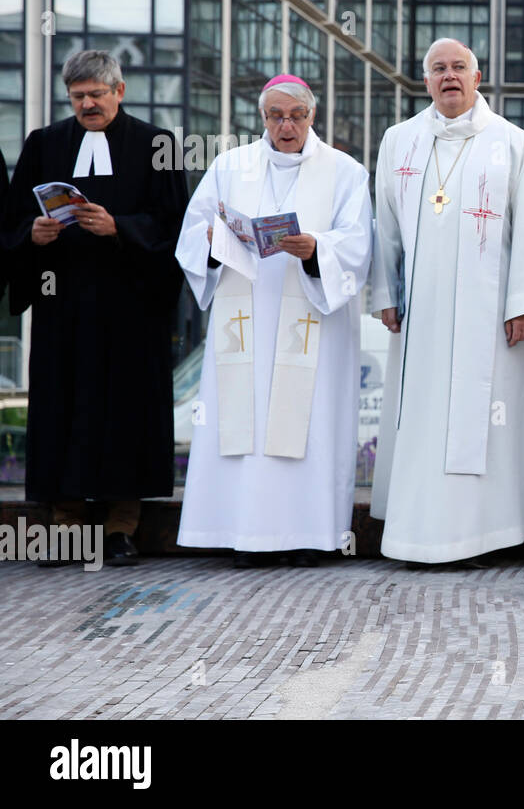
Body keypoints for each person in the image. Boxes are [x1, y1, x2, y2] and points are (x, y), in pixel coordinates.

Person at [174, 74, 373, 568]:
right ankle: (242, 533)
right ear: (262, 118)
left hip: (313, 322)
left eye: (296, 116)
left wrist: (314, 252)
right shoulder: (229, 166)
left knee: (309, 426)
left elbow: (356, 246)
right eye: (275, 116)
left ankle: (309, 535)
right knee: (243, 422)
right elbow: (193, 234)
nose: (286, 126)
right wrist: (220, 242)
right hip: (242, 321)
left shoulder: (344, 171)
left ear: (312, 116)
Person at [369, 38, 524, 567]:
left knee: (487, 419)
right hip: (421, 315)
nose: (449, 76)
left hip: (492, 314)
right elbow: (384, 226)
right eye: (438, 69)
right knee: (424, 417)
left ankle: (480, 537)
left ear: (479, 77)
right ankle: (417, 535)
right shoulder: (398, 140)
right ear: (425, 81)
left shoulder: (512, 142)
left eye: (458, 68)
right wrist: (386, 292)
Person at [1, 49, 187, 566]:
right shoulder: (44, 144)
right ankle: (66, 525)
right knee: (65, 407)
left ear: (119, 92)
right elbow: (11, 221)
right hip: (64, 307)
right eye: (78, 96)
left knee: (125, 410)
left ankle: (120, 527)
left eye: (97, 95)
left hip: (131, 306)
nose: (87, 105)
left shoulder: (157, 144)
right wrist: (31, 235)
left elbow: (175, 224)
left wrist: (120, 227)